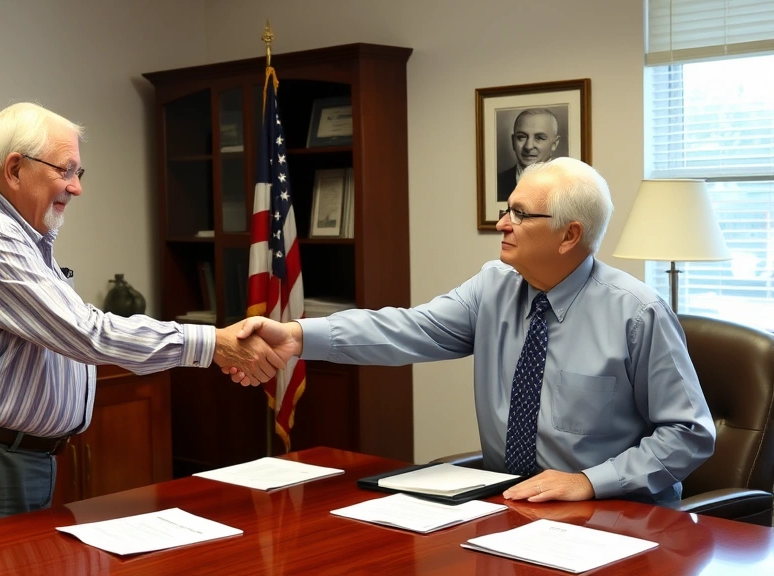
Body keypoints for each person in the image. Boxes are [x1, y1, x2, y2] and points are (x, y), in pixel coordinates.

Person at [231, 157, 716, 505]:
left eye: (521, 214)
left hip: (615, 513)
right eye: (508, 208)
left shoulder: (637, 313)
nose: (503, 223)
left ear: (570, 235)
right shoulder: (494, 287)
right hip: (511, 504)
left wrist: (590, 481)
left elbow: (688, 433)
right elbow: (407, 328)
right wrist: (298, 335)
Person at [0, 102, 286, 535]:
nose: (75, 188)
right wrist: (214, 344)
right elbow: (85, 333)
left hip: (3, 458)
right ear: (14, 169)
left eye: (78, 174)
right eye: (66, 171)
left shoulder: (17, 231)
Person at [497, 108, 561, 202]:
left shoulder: (569, 185)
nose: (528, 146)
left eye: (539, 138)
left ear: (554, 144)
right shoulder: (496, 183)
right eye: (521, 137)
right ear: (513, 141)